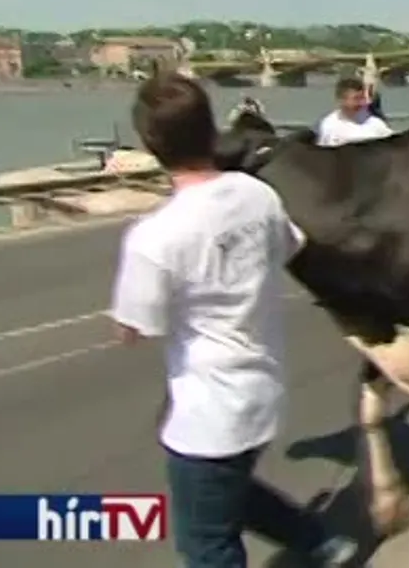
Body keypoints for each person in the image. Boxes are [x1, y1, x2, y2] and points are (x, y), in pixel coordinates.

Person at [109, 73, 357, 568]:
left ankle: (319, 542)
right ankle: (320, 541)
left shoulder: (154, 237)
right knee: (229, 490)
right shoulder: (256, 194)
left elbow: (135, 329)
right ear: (210, 130)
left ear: (150, 145)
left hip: (207, 413)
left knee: (206, 542)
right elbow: (292, 245)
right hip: (262, 392)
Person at [317, 77, 393, 147]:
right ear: (341, 100)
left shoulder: (376, 124)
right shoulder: (329, 124)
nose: (362, 102)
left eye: (362, 98)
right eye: (356, 99)